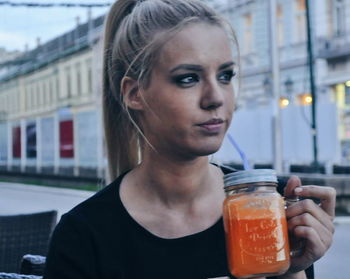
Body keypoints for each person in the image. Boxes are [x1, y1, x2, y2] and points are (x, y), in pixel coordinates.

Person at [43, 0, 336, 278]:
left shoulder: (272, 204)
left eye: (225, 76)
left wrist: (293, 270)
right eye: (188, 78)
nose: (215, 98)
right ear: (135, 93)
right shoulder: (85, 235)